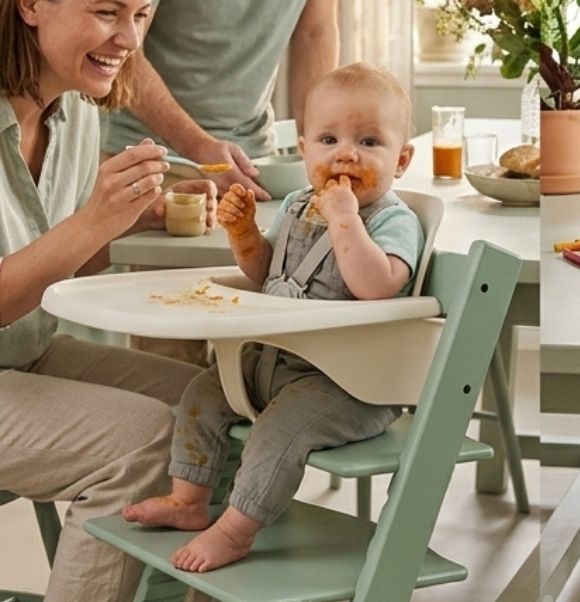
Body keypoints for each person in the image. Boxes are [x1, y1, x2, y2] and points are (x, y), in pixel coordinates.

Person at [0, 0, 215, 602]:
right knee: (141, 442)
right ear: (30, 3)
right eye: (105, 11)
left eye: (140, 15)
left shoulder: (78, 110)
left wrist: (144, 217)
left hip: (26, 352)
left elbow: (67, 277)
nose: (127, 36)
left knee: (209, 413)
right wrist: (95, 220)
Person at [124, 62, 424, 572]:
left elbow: (376, 286)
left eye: (370, 141)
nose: (346, 153)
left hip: (351, 384)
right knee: (203, 392)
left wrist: (346, 220)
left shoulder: (393, 220)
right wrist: (245, 238)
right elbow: (270, 276)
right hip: (280, 366)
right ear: (304, 150)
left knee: (278, 431)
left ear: (402, 160)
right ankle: (188, 499)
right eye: (329, 139)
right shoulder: (296, 206)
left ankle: (239, 529)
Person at [102, 0, 346, 201]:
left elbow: (315, 35)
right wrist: (199, 148)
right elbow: (121, 48)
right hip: (149, 162)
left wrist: (321, 150)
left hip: (256, 164)